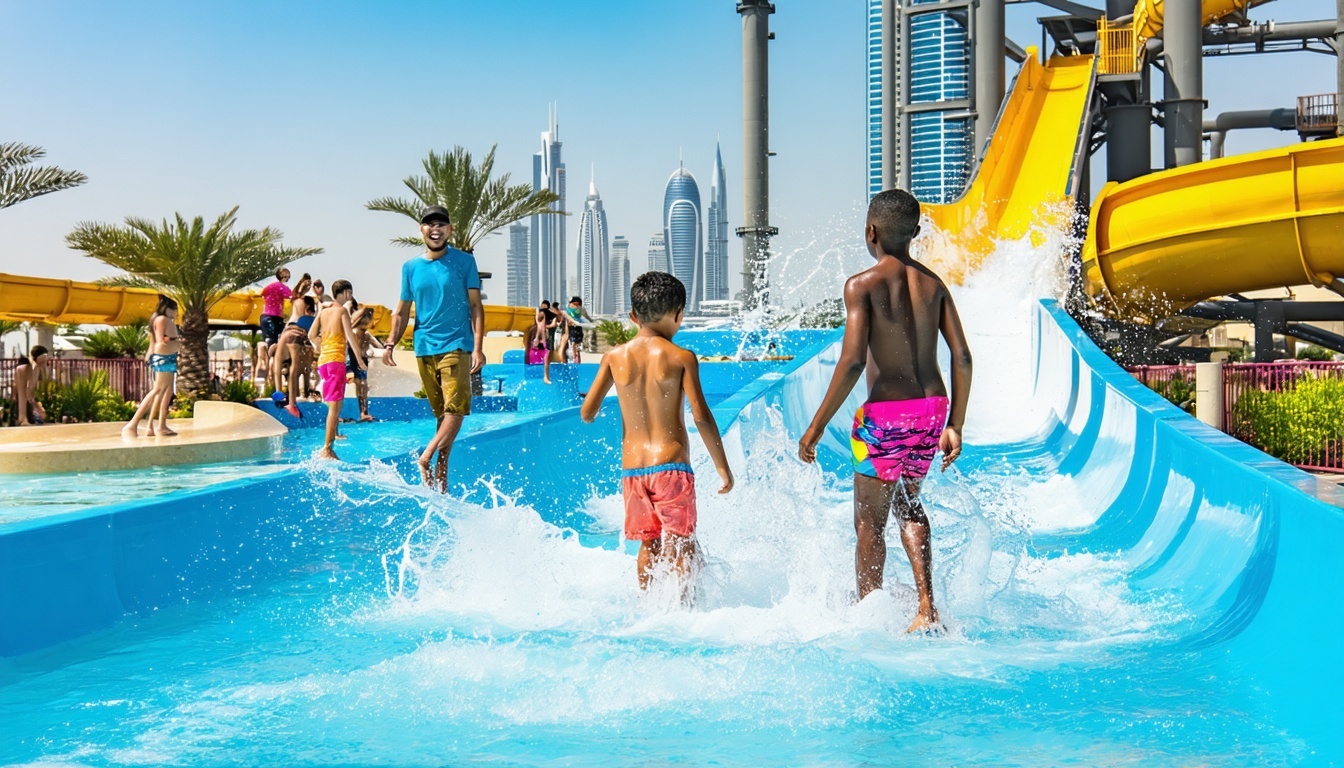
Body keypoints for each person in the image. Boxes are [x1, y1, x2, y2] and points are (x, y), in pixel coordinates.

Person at [797, 189, 972, 634]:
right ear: (915, 233)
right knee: (910, 505)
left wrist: (815, 428)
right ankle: (927, 607)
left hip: (886, 416)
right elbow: (963, 358)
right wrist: (955, 424)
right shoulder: (934, 285)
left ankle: (868, 617)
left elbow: (853, 361)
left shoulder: (862, 286)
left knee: (869, 522)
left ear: (870, 232)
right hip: (932, 409)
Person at [580, 271, 734, 599]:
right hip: (671, 467)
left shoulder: (613, 357)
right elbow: (702, 417)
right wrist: (723, 467)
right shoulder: (681, 357)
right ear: (679, 314)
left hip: (633, 471)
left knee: (649, 543)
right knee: (682, 544)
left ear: (633, 316)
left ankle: (648, 606)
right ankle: (684, 611)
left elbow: (587, 413)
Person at [382, 205, 485, 492]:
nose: (435, 228)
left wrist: (478, 347)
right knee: (442, 414)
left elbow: (476, 307)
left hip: (456, 345)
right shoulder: (411, 268)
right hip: (424, 347)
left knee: (456, 411)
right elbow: (401, 311)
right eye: (429, 224)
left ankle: (425, 457)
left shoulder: (464, 263)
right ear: (421, 230)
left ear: (450, 230)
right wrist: (390, 343)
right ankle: (442, 481)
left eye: (441, 224)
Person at [309, 280, 365, 459]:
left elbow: (311, 335)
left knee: (336, 405)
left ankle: (330, 443)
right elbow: (351, 338)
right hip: (335, 362)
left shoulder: (323, 312)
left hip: (324, 362)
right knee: (334, 407)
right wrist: (360, 361)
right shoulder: (342, 311)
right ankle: (327, 449)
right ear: (347, 293)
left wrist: (321, 346)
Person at [123, 295, 182, 438]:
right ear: (167, 309)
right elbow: (161, 340)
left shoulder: (163, 320)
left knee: (166, 392)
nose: (175, 313)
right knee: (157, 390)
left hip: (169, 357)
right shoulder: (162, 320)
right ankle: (132, 424)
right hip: (164, 358)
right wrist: (177, 339)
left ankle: (158, 426)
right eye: (173, 310)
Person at [274, 296, 317, 417]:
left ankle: (278, 392)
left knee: (278, 360)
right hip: (298, 332)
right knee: (296, 367)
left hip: (286, 331)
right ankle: (292, 404)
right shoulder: (309, 312)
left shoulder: (296, 303)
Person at [347, 306, 383, 422]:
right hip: (361, 359)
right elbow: (379, 346)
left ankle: (362, 411)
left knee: (360, 386)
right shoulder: (365, 333)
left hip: (354, 359)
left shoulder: (353, 331)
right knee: (363, 386)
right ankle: (364, 411)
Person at [14, 345, 49, 426]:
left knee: (22, 397)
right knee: (24, 395)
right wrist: (37, 406)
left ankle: (22, 418)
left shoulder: (30, 366)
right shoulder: (34, 367)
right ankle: (23, 418)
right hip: (26, 392)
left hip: (21, 374)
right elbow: (29, 389)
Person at [260, 267, 294, 350]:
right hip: (275, 317)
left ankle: (269, 358)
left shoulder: (269, 286)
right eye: (286, 277)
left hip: (265, 316)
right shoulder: (282, 287)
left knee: (270, 342)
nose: (287, 279)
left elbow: (262, 294)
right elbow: (292, 296)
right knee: (278, 341)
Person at [563, 296, 595, 363]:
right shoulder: (567, 311)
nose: (576, 306)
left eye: (578, 304)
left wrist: (592, 321)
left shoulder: (581, 310)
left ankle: (577, 356)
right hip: (571, 328)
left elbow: (586, 316)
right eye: (574, 304)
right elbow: (568, 319)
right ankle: (574, 358)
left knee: (578, 343)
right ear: (570, 304)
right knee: (573, 343)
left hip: (578, 327)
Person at [528, 305, 553, 385]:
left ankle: (544, 376)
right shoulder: (541, 325)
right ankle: (545, 376)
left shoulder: (540, 324)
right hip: (541, 342)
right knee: (544, 358)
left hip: (540, 343)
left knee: (542, 359)